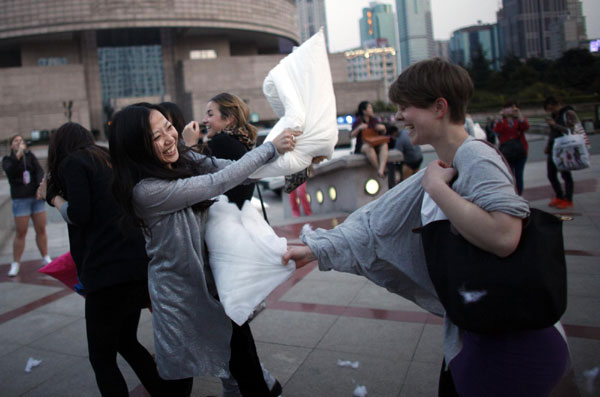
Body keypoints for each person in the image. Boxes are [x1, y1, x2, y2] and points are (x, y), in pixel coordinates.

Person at [283, 58, 569, 396]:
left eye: (406, 107)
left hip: (513, 344)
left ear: (439, 107)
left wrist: (437, 189)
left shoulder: (475, 157)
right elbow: (378, 222)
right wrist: (317, 249)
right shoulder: (445, 163)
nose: (399, 116)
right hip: (477, 330)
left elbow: (505, 236)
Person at [108, 103, 297, 396]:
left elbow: (232, 172)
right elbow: (216, 183)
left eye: (168, 128)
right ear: (137, 148)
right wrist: (270, 147)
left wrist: (290, 162)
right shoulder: (146, 191)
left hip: (215, 287)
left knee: (243, 360)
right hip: (180, 298)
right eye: (155, 137)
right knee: (179, 380)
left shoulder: (182, 159)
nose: (169, 139)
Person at [37, 123, 169, 396]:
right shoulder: (106, 159)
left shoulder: (73, 162)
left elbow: (80, 214)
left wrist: (53, 197)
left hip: (106, 273)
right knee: (126, 341)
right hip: (134, 267)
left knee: (101, 358)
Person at [2, 135, 51, 277]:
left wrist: (39, 189)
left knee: (41, 229)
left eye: (21, 141)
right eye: (16, 141)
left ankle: (45, 257)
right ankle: (16, 262)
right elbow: (11, 171)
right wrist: (18, 155)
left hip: (35, 198)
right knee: (21, 232)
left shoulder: (30, 156)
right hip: (20, 199)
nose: (19, 143)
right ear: (11, 145)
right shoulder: (8, 160)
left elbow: (39, 172)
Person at [543, 96, 578, 209]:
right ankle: (559, 196)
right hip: (554, 148)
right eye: (548, 108)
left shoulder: (568, 113)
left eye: (552, 107)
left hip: (565, 148)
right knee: (551, 174)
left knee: (565, 174)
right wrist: (548, 145)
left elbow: (571, 130)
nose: (551, 110)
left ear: (558, 104)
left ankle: (568, 199)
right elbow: (552, 133)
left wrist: (554, 125)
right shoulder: (555, 115)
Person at [493, 101, 529, 195]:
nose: (509, 110)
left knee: (519, 175)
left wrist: (519, 113)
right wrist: (500, 118)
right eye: (507, 108)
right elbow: (496, 130)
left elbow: (525, 126)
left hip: (520, 151)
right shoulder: (501, 121)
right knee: (509, 176)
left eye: (511, 108)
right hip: (506, 152)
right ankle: (512, 195)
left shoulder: (519, 120)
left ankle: (519, 195)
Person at [351, 101, 389, 178]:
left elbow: (382, 134)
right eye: (369, 108)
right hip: (363, 146)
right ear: (364, 111)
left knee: (384, 145)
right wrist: (359, 128)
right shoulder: (358, 121)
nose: (371, 110)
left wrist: (383, 128)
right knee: (368, 148)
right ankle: (379, 169)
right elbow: (351, 135)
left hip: (375, 143)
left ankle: (381, 169)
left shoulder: (374, 120)